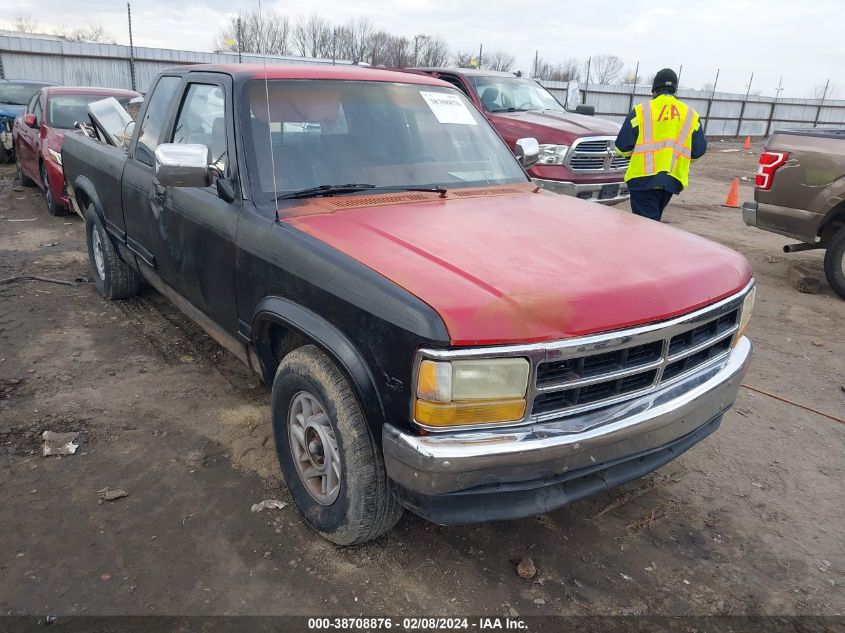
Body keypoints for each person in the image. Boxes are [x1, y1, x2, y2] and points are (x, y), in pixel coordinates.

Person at [613, 68, 707, 221]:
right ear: (674, 89)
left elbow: (621, 148)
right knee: (652, 222)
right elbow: (698, 152)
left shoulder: (641, 111)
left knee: (645, 228)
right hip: (671, 181)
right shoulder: (690, 115)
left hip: (642, 179)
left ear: (654, 89)